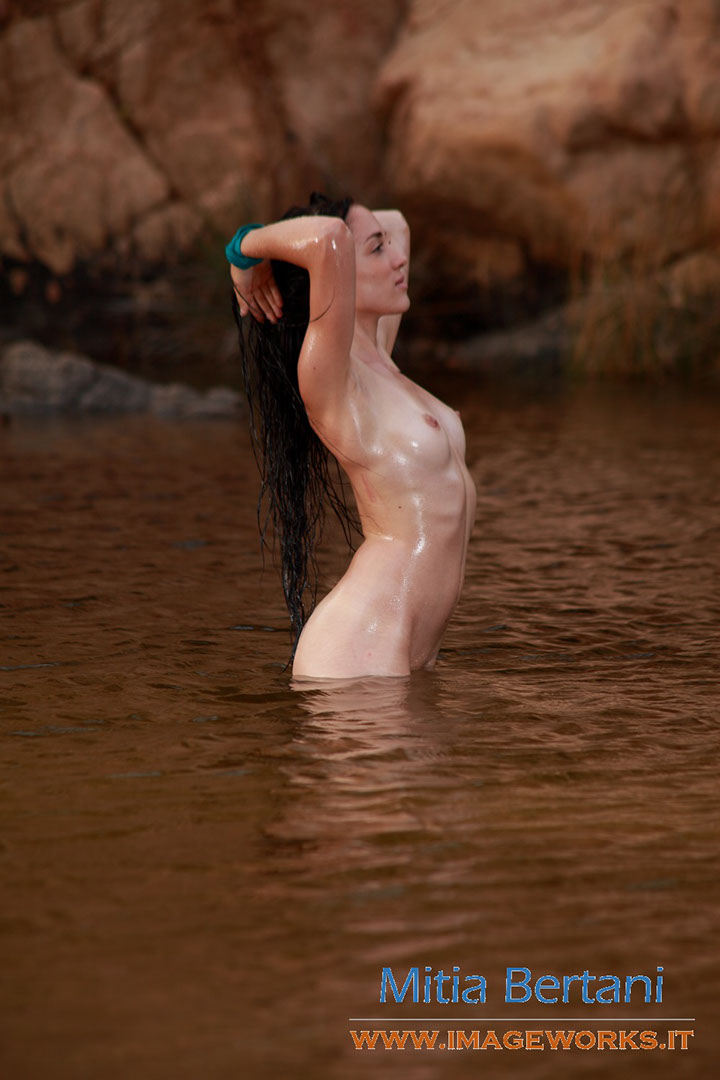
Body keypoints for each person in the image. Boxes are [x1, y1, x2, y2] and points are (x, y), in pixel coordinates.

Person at [227, 193, 476, 679]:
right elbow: (329, 237)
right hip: (359, 645)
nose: (399, 258)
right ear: (338, 272)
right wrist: (242, 252)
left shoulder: (380, 357)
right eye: (377, 250)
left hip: (402, 648)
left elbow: (396, 221)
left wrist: (367, 234)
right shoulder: (331, 376)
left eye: (388, 248)